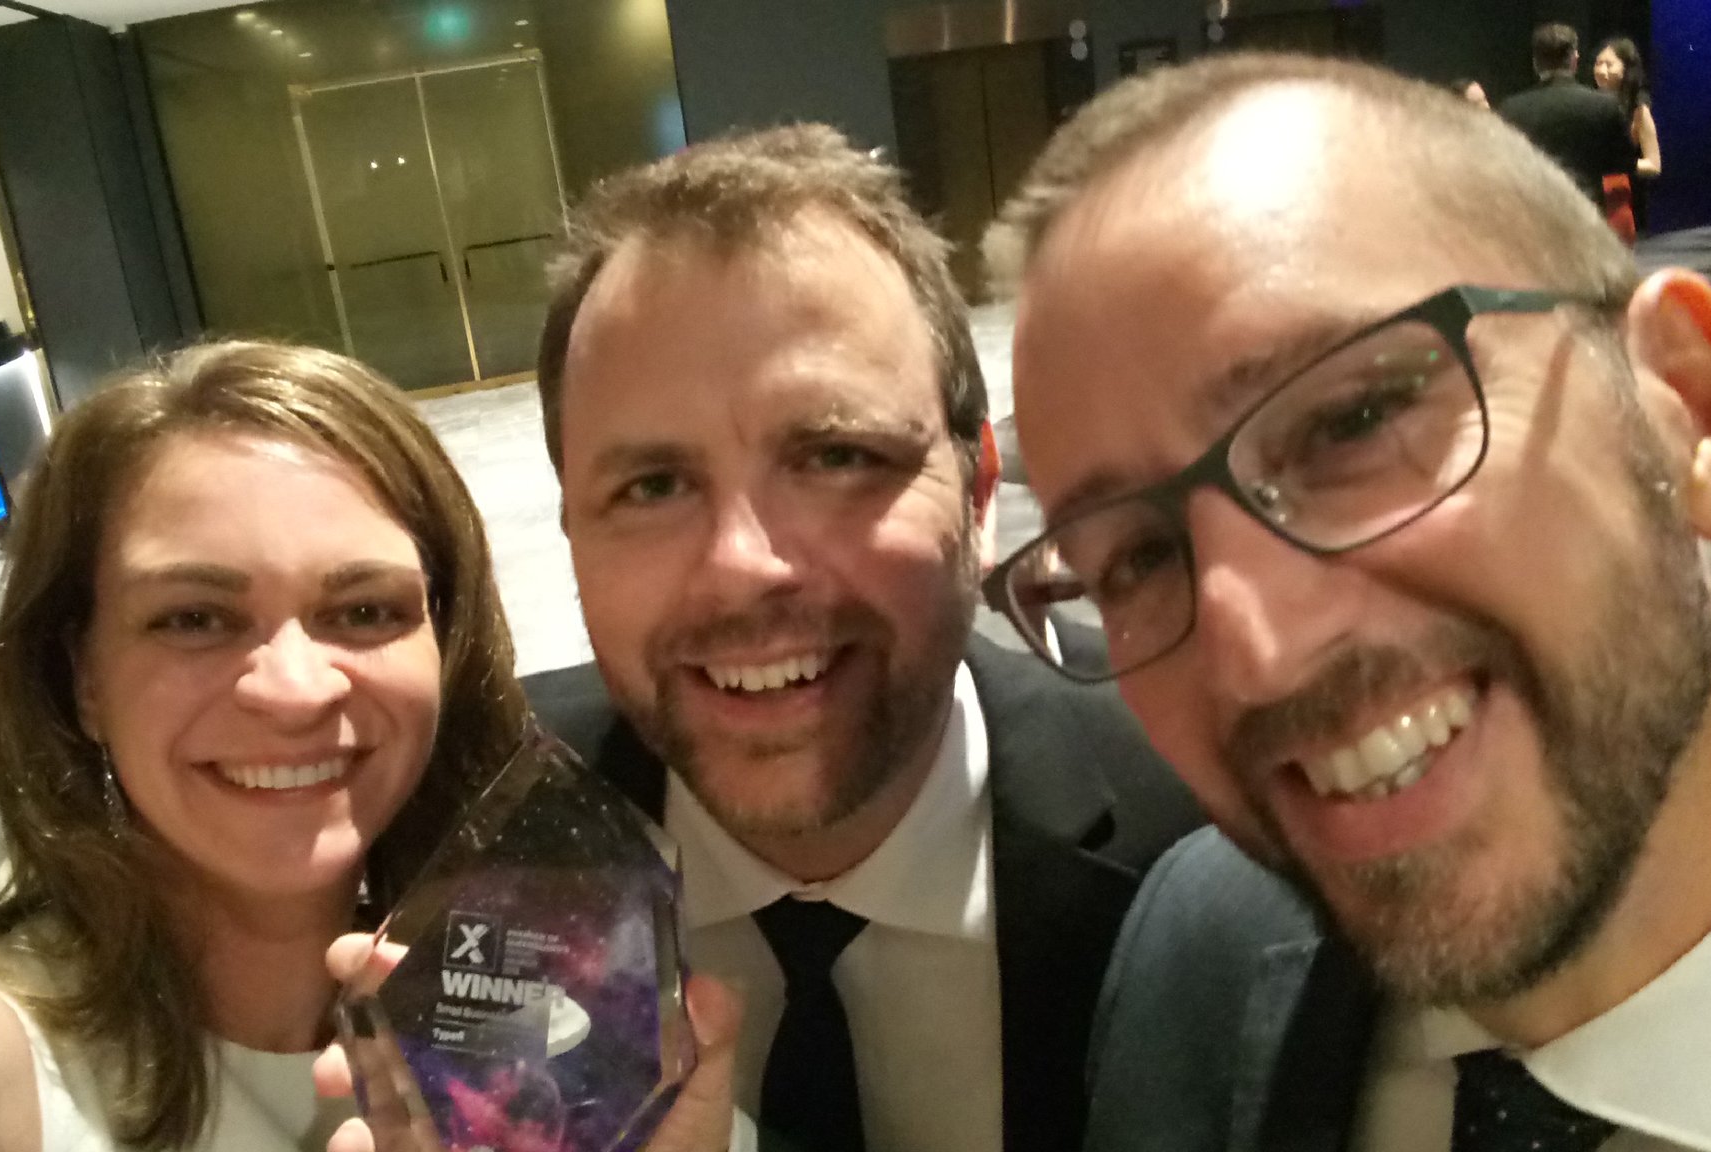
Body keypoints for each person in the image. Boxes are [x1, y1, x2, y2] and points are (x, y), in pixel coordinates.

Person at [983, 52, 1711, 1150]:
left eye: (1352, 421)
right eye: (1130, 557)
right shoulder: (1196, 952)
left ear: (1688, 407)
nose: (1257, 654)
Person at [0, 341, 711, 1152]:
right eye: (194, 618)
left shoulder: (551, 992)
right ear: (85, 678)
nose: (296, 688)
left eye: (363, 611)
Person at [510, 123, 1199, 1152]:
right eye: (650, 487)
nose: (743, 566)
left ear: (975, 492)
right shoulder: (484, 827)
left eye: (836, 456)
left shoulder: (1203, 817)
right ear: (569, 525)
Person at [1500, 23, 1639, 214]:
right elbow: (1626, 164)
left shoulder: (1510, 110)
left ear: (1535, 62)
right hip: (1586, 215)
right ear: (1574, 60)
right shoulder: (1605, 106)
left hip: (1531, 215)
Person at [1595, 36, 1663, 243]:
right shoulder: (1589, 103)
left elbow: (1654, 164)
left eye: (1609, 64)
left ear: (1626, 70)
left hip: (1616, 195)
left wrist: (1618, 165)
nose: (1602, 70)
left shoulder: (1638, 110)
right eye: (1598, 63)